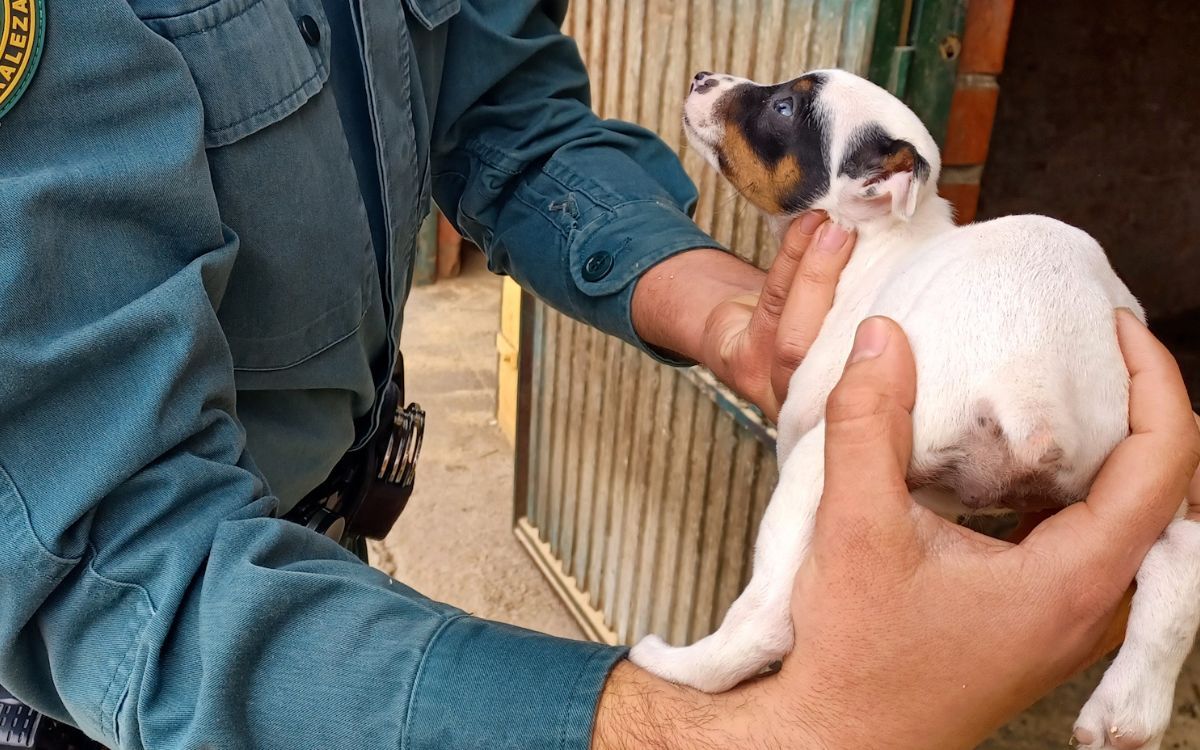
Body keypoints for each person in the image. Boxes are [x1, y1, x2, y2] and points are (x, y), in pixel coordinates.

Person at [0, 2, 1194, 749]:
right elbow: (99, 563)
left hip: (320, 547)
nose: (727, 99)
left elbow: (501, 117)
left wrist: (736, 322)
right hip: (78, 691)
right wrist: (750, 733)